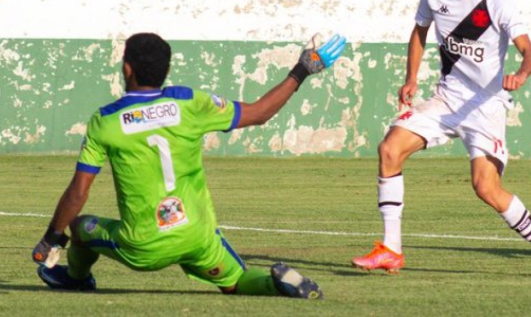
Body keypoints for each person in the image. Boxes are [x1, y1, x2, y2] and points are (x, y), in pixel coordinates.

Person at [32, 31, 346, 299]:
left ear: (127, 68)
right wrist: (303, 68)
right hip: (197, 236)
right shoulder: (190, 103)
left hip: (145, 246)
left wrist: (51, 238)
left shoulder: (106, 120)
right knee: (237, 281)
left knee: (80, 226)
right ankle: (275, 285)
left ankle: (76, 277)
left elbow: (78, 192)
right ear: (167, 70)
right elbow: (260, 112)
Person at [351, 0, 531, 280]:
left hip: (486, 105)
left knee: (486, 188)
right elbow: (420, 32)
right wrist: (411, 77)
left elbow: (530, 52)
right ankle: (391, 250)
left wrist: (521, 74)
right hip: (447, 97)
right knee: (390, 149)